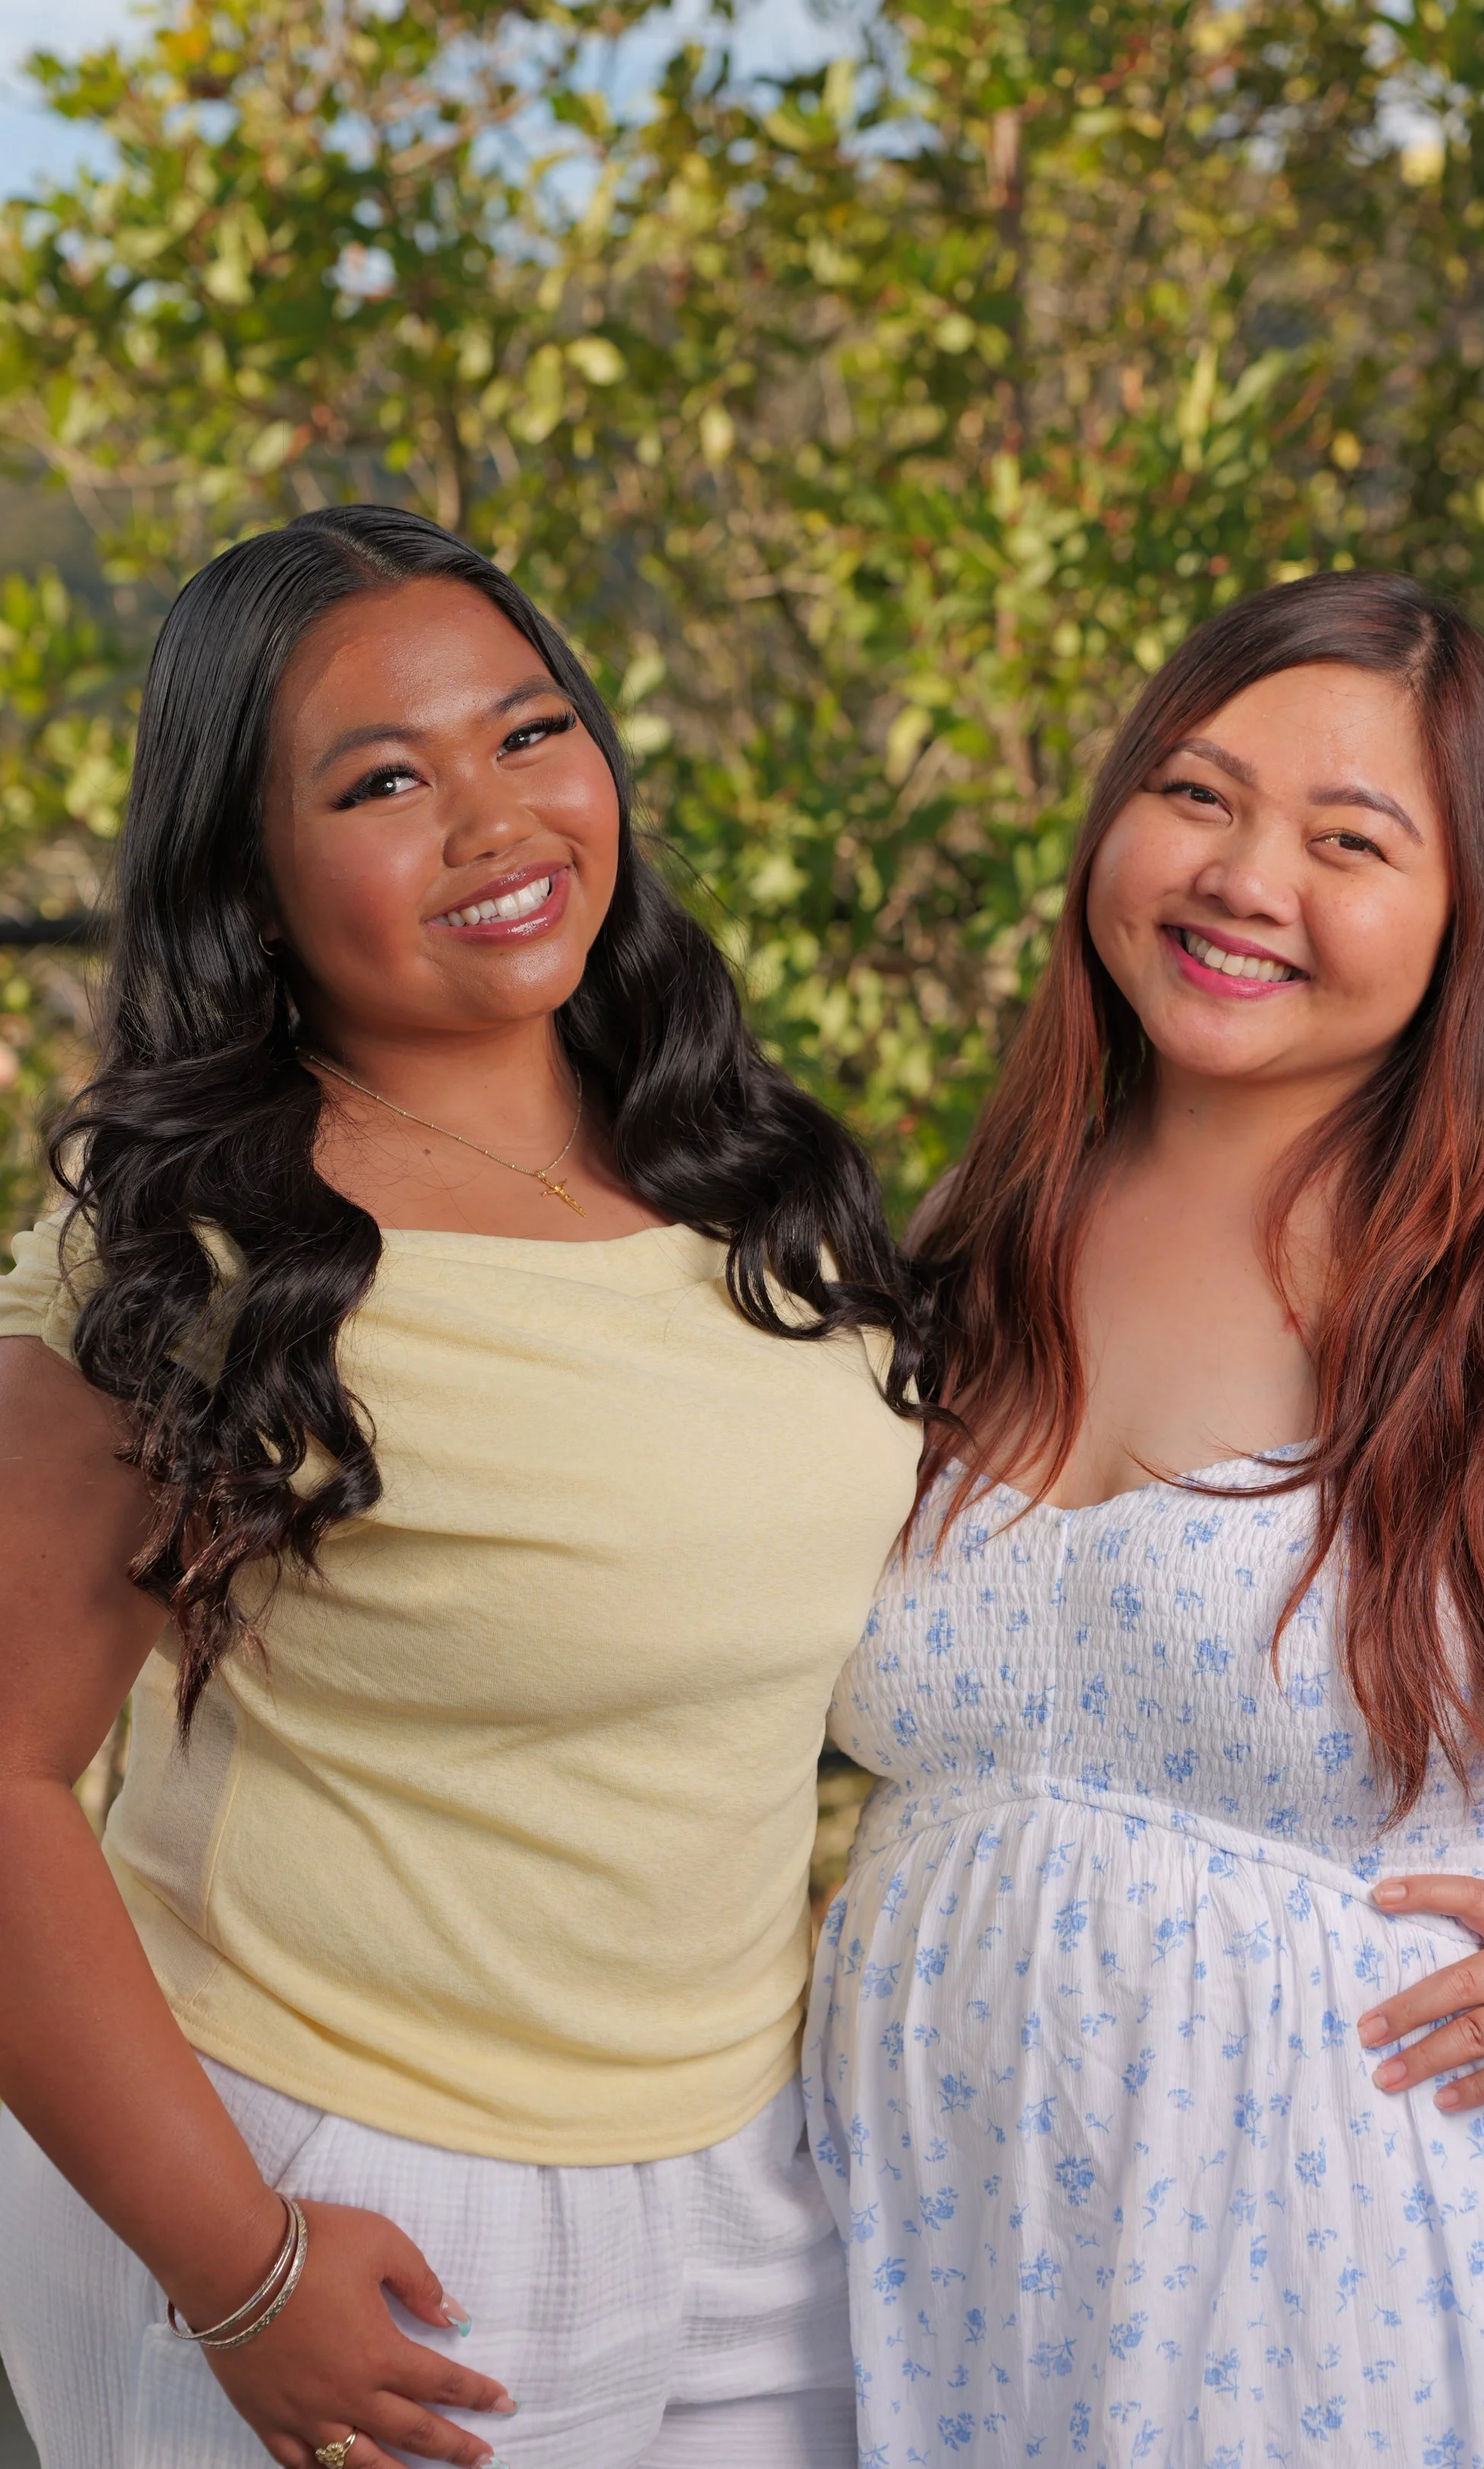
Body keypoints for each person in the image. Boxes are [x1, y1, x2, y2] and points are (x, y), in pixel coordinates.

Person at [0, 505, 926, 2469]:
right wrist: (237, 2269)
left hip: (757, 2158)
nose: (495, 820)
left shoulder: (742, 1169)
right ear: (245, 876)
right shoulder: (187, 1247)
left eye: (529, 733)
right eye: (382, 780)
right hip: (349, 2187)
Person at [804, 571, 1484, 2464]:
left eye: (1349, 839)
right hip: (948, 2258)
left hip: (1366, 2286)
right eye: (1197, 794)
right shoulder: (974, 1232)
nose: (1247, 876)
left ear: (1466, 916)